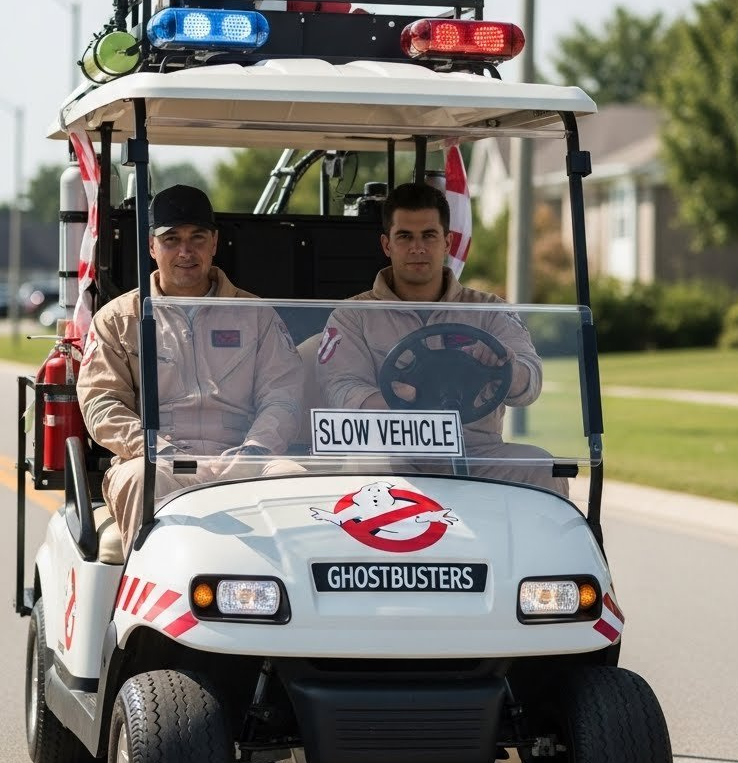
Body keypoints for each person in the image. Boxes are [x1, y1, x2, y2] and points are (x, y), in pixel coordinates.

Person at [77, 184, 303, 554]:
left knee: (292, 479)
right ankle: (151, 603)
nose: (185, 251)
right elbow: (103, 405)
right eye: (171, 239)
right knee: (142, 481)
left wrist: (256, 450)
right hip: (160, 460)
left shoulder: (256, 314)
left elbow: (284, 394)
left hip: (242, 456)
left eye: (197, 238)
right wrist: (157, 449)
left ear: (214, 243)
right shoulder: (120, 319)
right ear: (152, 247)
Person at [316, 181, 568, 496]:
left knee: (542, 468)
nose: (417, 248)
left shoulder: (488, 311)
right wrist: (394, 401)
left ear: (447, 242)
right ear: (386, 245)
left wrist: (508, 366)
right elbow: (340, 388)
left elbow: (529, 384)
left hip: (475, 452)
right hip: (393, 454)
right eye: (405, 236)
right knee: (366, 467)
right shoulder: (353, 315)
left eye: (429, 235)